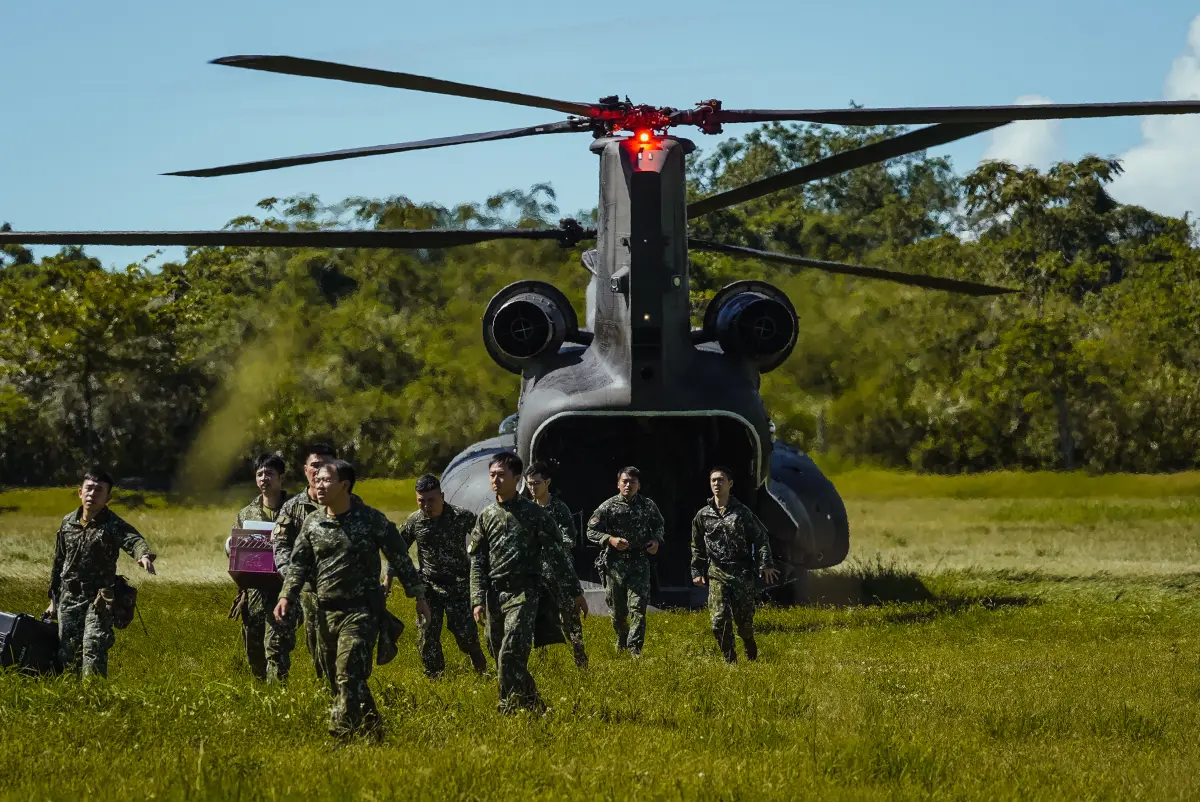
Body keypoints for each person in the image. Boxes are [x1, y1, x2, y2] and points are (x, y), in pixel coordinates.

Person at [274, 460, 430, 740]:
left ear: (344, 485)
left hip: (361, 611)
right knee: (337, 678)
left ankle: (341, 736)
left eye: (326, 480)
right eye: (317, 480)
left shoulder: (371, 520)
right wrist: (287, 596)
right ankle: (374, 730)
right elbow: (298, 564)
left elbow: (400, 558)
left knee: (347, 673)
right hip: (325, 612)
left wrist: (418, 596)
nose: (319, 485)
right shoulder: (313, 523)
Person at [469, 452, 586, 714]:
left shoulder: (535, 515)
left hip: (524, 593)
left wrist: (576, 593)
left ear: (517, 478)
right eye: (492, 475)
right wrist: (477, 600)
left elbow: (558, 557)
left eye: (501, 475)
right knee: (497, 651)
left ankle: (506, 707)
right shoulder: (486, 516)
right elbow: (477, 561)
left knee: (511, 654)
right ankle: (536, 705)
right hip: (494, 595)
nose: (495, 480)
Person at [44, 468, 157, 678]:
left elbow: (134, 540)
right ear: (80, 492)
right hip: (69, 597)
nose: (92, 494)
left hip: (99, 598)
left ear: (108, 497)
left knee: (93, 645)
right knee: (67, 653)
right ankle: (70, 698)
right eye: (89, 489)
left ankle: (94, 699)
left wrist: (144, 556)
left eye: (99, 490)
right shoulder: (68, 522)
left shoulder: (112, 524)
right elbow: (58, 562)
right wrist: (54, 600)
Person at [387, 473, 487, 677]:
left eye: (431, 500)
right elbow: (397, 551)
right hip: (429, 587)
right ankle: (434, 677)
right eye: (421, 501)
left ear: (442, 495)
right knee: (427, 635)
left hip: (459, 585)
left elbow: (484, 543)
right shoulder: (415, 521)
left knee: (465, 635)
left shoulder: (462, 516)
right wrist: (388, 579)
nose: (426, 506)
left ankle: (480, 668)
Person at [690, 466, 779, 663]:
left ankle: (749, 644)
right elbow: (696, 544)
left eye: (721, 480)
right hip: (717, 572)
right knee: (718, 621)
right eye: (713, 480)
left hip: (741, 572)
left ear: (730, 484)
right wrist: (697, 570)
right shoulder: (703, 515)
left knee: (744, 622)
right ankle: (730, 658)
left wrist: (765, 563)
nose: (716, 484)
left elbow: (761, 537)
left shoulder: (742, 513)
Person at [271, 443, 341, 681]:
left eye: (326, 466)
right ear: (305, 470)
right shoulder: (293, 508)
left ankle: (351, 696)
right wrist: (290, 577)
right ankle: (329, 695)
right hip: (309, 591)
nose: (320, 471)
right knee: (319, 649)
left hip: (346, 590)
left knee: (349, 648)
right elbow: (280, 545)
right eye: (315, 466)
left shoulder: (347, 503)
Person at [586, 466, 664, 657]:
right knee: (618, 612)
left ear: (639, 485)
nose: (628, 485)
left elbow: (659, 525)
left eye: (633, 482)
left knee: (638, 608)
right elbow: (590, 531)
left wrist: (656, 541)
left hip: (639, 563)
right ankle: (622, 637)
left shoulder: (648, 505)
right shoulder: (608, 506)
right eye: (625, 481)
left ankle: (634, 650)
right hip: (615, 566)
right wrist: (610, 540)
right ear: (618, 484)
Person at [230, 453, 289, 681]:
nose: (264, 478)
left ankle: (278, 697)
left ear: (281, 477)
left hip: (284, 591)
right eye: (260, 474)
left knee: (276, 647)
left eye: (270, 473)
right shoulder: (246, 514)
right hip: (253, 592)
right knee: (253, 651)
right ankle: (261, 696)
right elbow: (236, 550)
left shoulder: (295, 510)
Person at [524, 461, 588, 668]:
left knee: (570, 620)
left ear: (547, 482)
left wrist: (547, 541)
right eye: (529, 484)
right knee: (537, 618)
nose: (533, 488)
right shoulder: (525, 509)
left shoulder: (559, 509)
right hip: (535, 574)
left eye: (537, 483)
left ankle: (580, 660)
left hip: (559, 573)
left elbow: (569, 539)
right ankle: (542, 663)